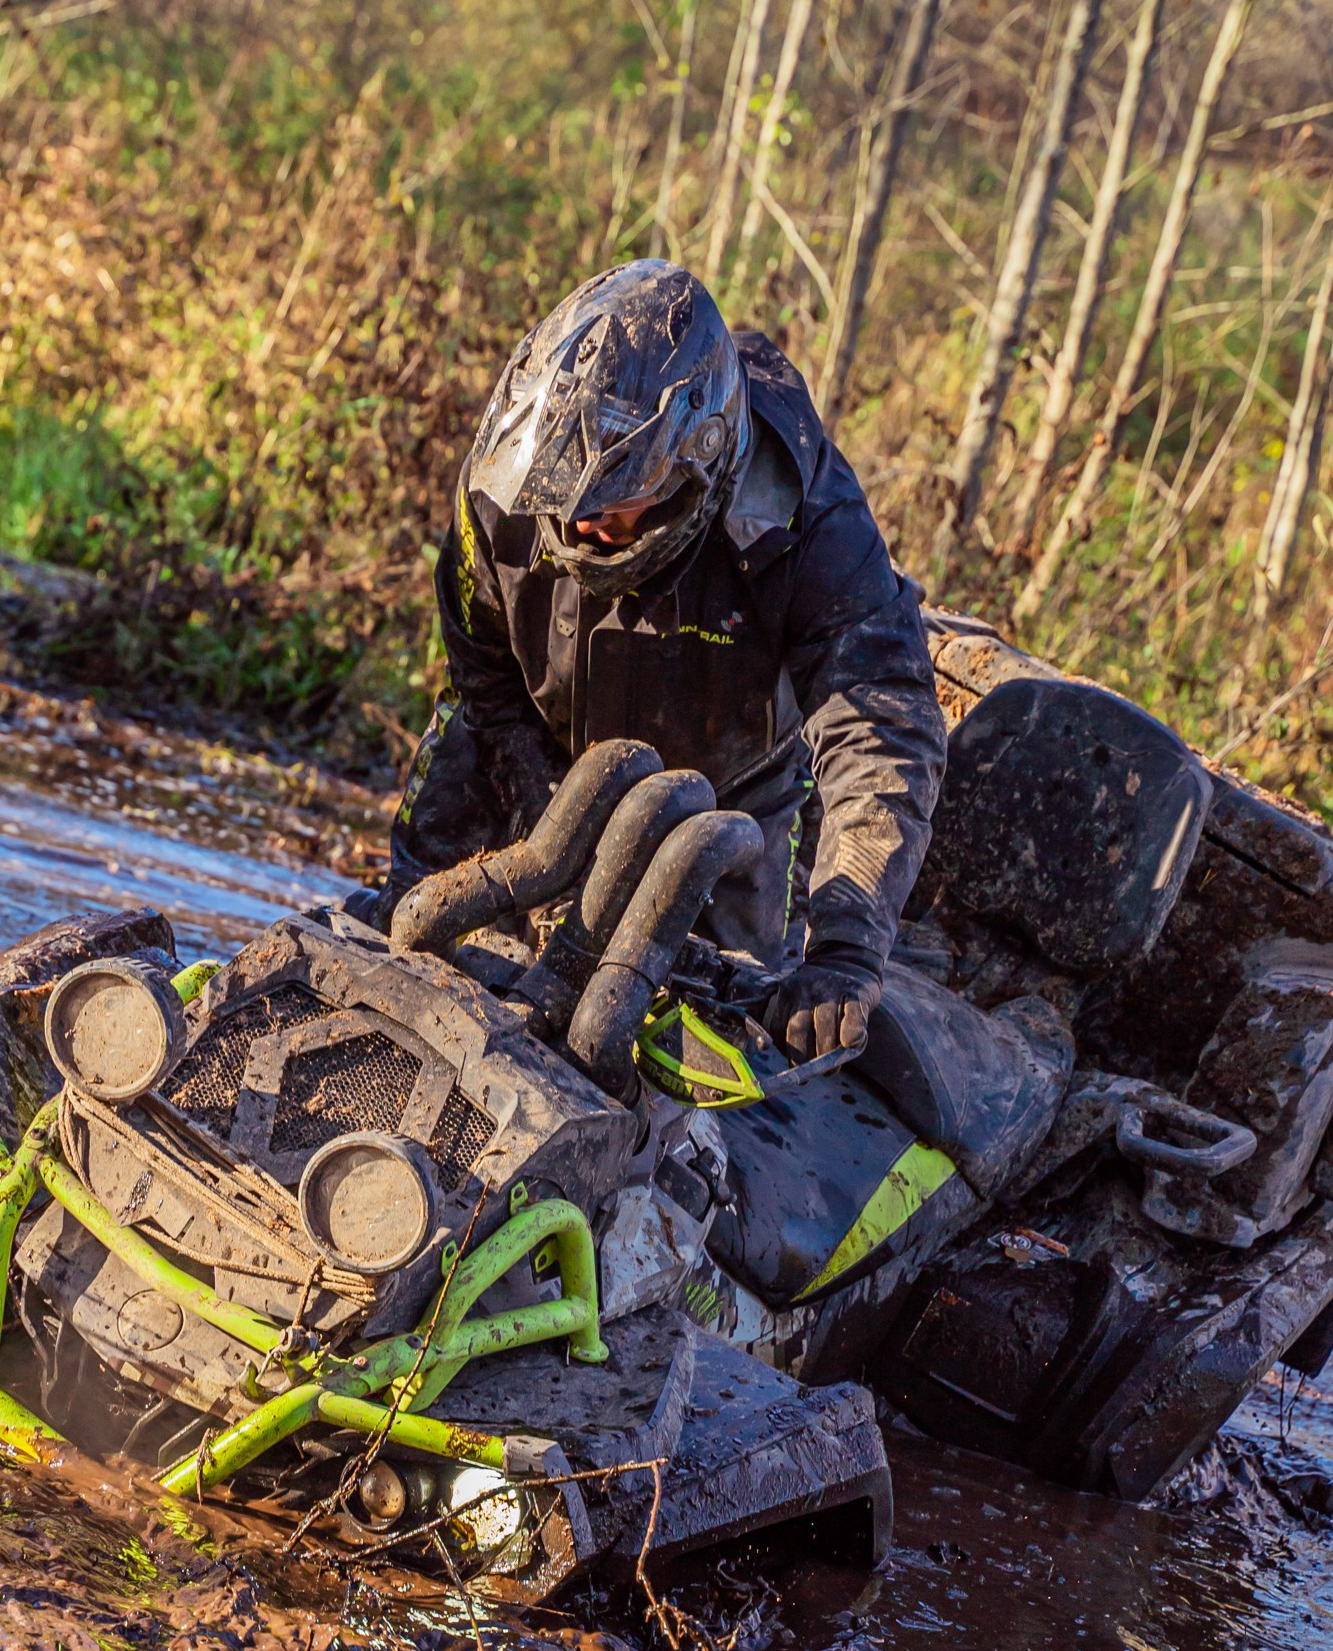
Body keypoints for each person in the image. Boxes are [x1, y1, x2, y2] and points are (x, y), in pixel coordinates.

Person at [387, 259, 946, 1059]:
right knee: (404, 942)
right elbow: (481, 672)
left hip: (730, 805)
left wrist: (847, 950)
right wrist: (548, 834)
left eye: (608, 508)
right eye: (560, 501)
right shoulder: (505, 491)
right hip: (522, 737)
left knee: (707, 1043)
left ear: (693, 472)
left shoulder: (813, 529)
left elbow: (881, 735)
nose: (576, 526)